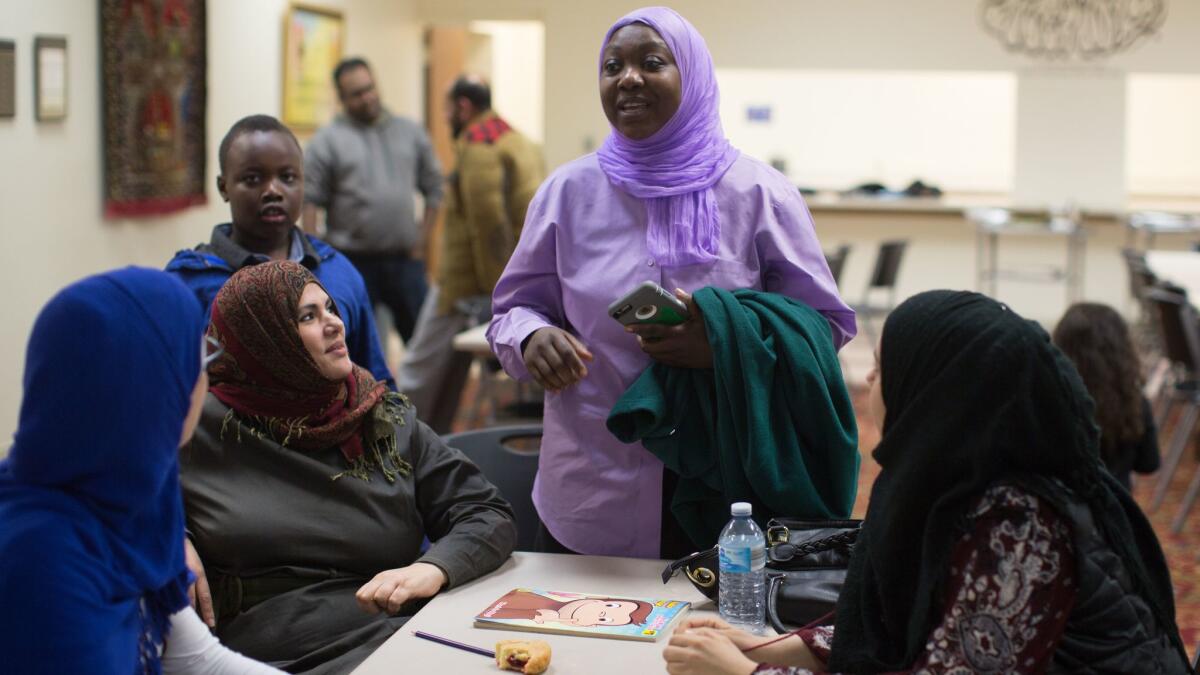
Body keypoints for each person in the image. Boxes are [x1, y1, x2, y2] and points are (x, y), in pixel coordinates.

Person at [487, 7, 854, 559]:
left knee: (705, 644)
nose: (627, 78)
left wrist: (726, 346)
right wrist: (531, 338)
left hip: (723, 486)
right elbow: (512, 311)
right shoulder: (566, 194)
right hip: (592, 486)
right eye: (612, 66)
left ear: (695, 76)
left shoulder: (760, 195)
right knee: (579, 641)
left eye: (651, 62)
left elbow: (822, 330)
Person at [662, 291, 1190, 674]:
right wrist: (770, 649)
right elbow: (896, 634)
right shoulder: (952, 485)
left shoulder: (1019, 525)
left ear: (937, 394)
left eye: (884, 368)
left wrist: (744, 674)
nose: (869, 380)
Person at [181, 261, 516, 674]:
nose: (334, 325)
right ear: (264, 341)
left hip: (395, 637)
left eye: (330, 309)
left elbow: (485, 513)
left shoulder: (381, 417)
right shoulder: (200, 426)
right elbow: (110, 498)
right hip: (270, 655)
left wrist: (435, 567)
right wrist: (168, 534)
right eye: (308, 316)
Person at [0, 268, 280, 674]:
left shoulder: (136, 484)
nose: (204, 375)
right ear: (156, 388)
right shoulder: (41, 559)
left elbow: (195, 659)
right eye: (198, 357)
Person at [166, 114, 394, 388]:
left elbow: (375, 381)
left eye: (287, 177)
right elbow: (169, 388)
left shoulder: (337, 271)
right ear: (223, 187)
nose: (273, 190)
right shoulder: (190, 282)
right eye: (252, 179)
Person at [397, 75, 546, 432]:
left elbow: (489, 229)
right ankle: (433, 441)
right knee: (449, 372)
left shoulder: (479, 146)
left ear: (463, 107)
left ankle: (395, 443)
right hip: (498, 279)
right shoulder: (517, 138)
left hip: (465, 285)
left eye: (448, 110)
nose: (447, 117)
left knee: (415, 372)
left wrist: (500, 296)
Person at [303, 57, 444, 345]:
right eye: (356, 94)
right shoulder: (328, 140)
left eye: (370, 88)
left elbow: (435, 188)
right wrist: (314, 263)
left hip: (405, 261)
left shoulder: (410, 132)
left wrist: (422, 241)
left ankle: (420, 394)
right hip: (351, 262)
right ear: (342, 99)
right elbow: (309, 202)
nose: (367, 98)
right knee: (352, 346)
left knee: (424, 344)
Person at [1054, 302, 1160, 491]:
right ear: (1123, 350)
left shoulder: (1050, 395)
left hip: (1059, 509)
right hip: (1115, 512)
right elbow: (1149, 463)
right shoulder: (1133, 400)